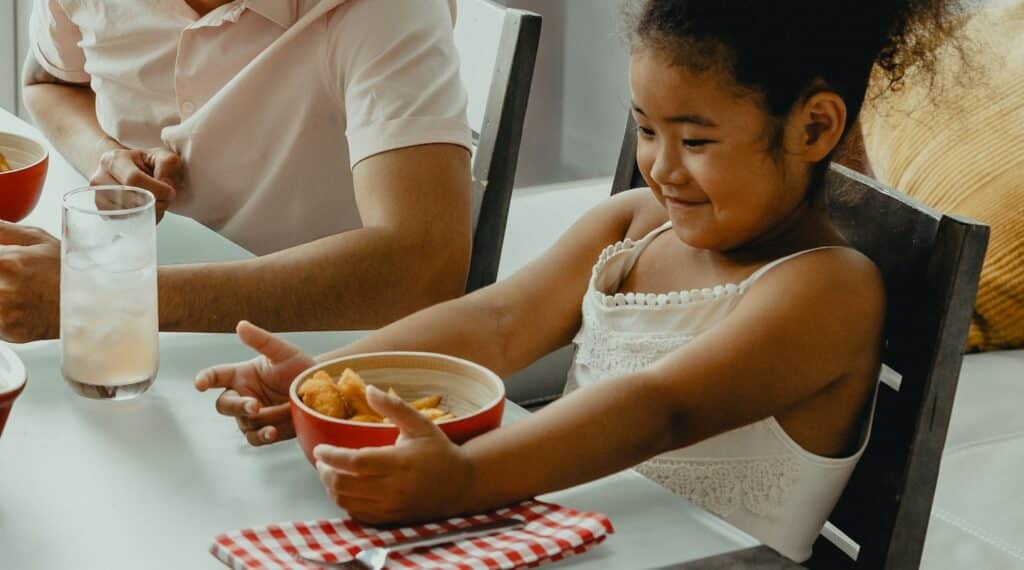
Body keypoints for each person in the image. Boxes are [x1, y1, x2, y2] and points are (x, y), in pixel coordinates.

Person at [194, 0, 958, 561]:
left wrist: (460, 480)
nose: (660, 165)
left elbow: (660, 408)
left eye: (696, 138)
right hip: (558, 541)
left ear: (814, 128)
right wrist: (331, 376)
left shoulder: (826, 290)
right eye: (647, 129)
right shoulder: (632, 227)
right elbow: (496, 322)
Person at [0, 0, 472, 342]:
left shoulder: (387, 10)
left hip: (316, 355)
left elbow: (423, 269)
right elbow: (46, 81)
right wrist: (106, 153)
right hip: (136, 329)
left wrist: (111, 296)